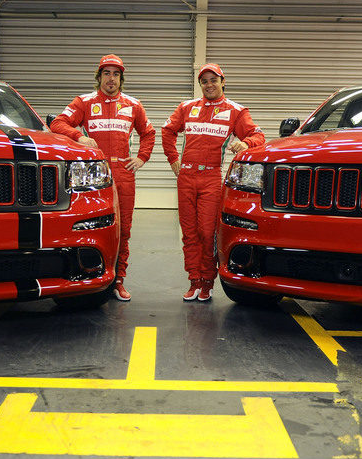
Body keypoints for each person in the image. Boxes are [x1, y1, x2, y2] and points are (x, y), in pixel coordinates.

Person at [50, 54, 155, 302]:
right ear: (99, 77)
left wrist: (141, 158)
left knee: (123, 230)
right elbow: (58, 123)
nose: (111, 78)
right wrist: (79, 137)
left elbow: (148, 133)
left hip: (123, 174)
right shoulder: (84, 102)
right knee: (93, 227)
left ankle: (118, 281)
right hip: (93, 175)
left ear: (121, 78)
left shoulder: (133, 104)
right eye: (106, 73)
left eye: (116, 74)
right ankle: (91, 277)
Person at [162, 62, 265, 303]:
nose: (209, 85)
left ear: (222, 81)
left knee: (207, 233)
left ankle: (208, 282)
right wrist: (173, 159)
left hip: (210, 177)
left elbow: (258, 136)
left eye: (213, 80)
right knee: (188, 233)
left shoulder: (236, 111)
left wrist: (245, 144)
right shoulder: (187, 107)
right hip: (186, 176)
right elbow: (167, 131)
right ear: (200, 85)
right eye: (204, 81)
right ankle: (194, 281)